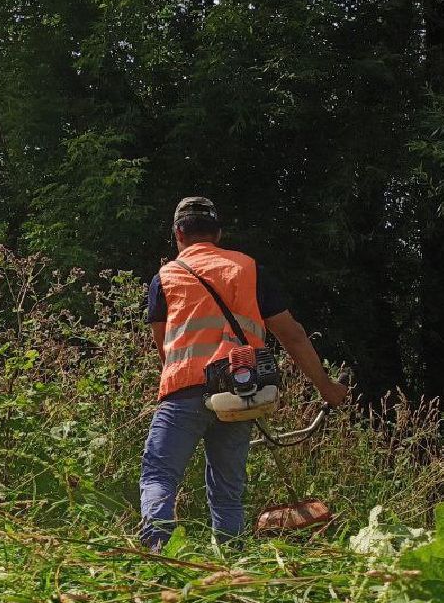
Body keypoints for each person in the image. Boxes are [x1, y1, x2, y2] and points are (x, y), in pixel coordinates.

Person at [139, 197, 350, 548]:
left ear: (178, 234)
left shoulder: (166, 277)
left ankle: (158, 556)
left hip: (184, 391)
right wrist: (326, 388)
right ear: (218, 233)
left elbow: (163, 346)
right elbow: (294, 336)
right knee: (227, 494)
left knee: (160, 474)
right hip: (239, 393)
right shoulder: (250, 270)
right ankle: (232, 566)